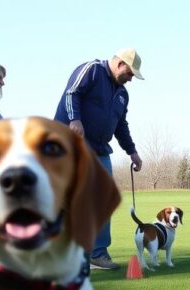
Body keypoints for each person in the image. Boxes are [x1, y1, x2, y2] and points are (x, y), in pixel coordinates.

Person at [53, 49, 145, 270]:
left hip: (100, 149)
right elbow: (71, 93)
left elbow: (121, 125)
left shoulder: (122, 93)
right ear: (120, 63)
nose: (131, 79)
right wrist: (75, 119)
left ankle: (97, 254)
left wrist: (132, 150)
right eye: (131, 73)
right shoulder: (92, 70)